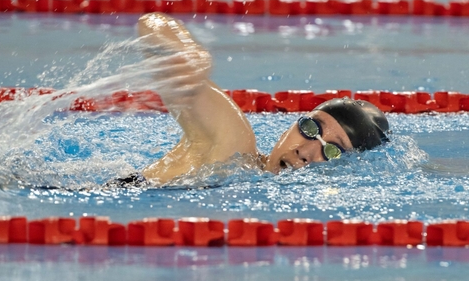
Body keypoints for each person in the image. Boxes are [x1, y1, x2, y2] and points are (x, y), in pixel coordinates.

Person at [121, 12, 389, 186]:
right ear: (289, 128)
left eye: (332, 151)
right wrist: (188, 54)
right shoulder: (232, 146)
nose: (305, 151)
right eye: (310, 128)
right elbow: (151, 24)